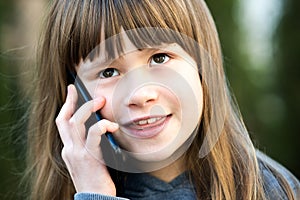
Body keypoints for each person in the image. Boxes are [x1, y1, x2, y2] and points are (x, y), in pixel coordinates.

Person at [25, 0, 299, 199]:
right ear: (75, 95)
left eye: (159, 58)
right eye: (108, 72)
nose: (141, 95)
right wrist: (95, 195)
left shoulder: (269, 189)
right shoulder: (76, 190)